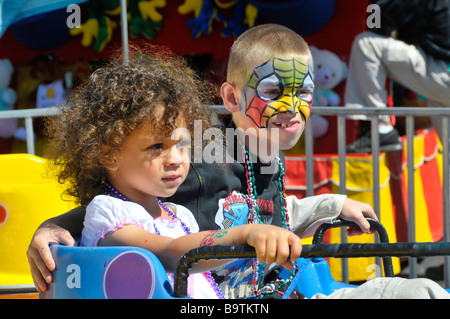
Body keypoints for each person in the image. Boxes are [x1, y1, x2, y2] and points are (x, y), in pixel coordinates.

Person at [28, 24, 448, 298]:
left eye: (303, 92)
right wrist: (52, 227)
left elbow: (265, 214)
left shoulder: (262, 152)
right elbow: (120, 204)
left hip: (285, 286)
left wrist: (329, 205)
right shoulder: (198, 147)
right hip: (248, 295)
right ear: (231, 98)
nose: (291, 107)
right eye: (271, 92)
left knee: (423, 291)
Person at [41, 50, 303, 299]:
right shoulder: (107, 213)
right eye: (157, 147)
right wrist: (244, 234)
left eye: (182, 145)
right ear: (110, 155)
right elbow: (170, 253)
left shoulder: (179, 215)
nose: (176, 159)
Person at [345, 0, 450, 153]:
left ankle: (382, 128)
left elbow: (377, 25)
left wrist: (373, 3)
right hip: (441, 81)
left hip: (441, 71)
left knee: (366, 43)